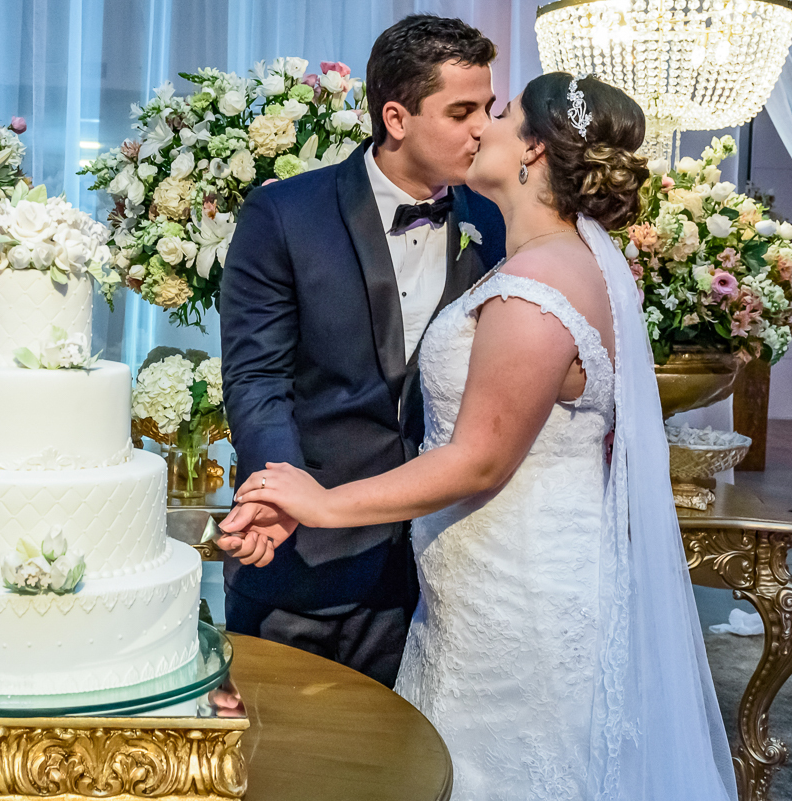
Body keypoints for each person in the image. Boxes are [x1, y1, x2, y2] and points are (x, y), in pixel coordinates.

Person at [221, 72, 736, 800]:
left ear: (531, 152)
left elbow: (481, 458)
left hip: (517, 601)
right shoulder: (559, 265)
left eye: (500, 113)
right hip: (487, 586)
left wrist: (323, 502)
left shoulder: (535, 286)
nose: (481, 126)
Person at [217, 14, 506, 687]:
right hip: (305, 560)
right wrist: (284, 492)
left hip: (442, 565)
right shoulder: (285, 214)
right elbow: (257, 378)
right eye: (461, 110)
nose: (482, 128)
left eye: (488, 109)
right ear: (397, 118)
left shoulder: (495, 220)